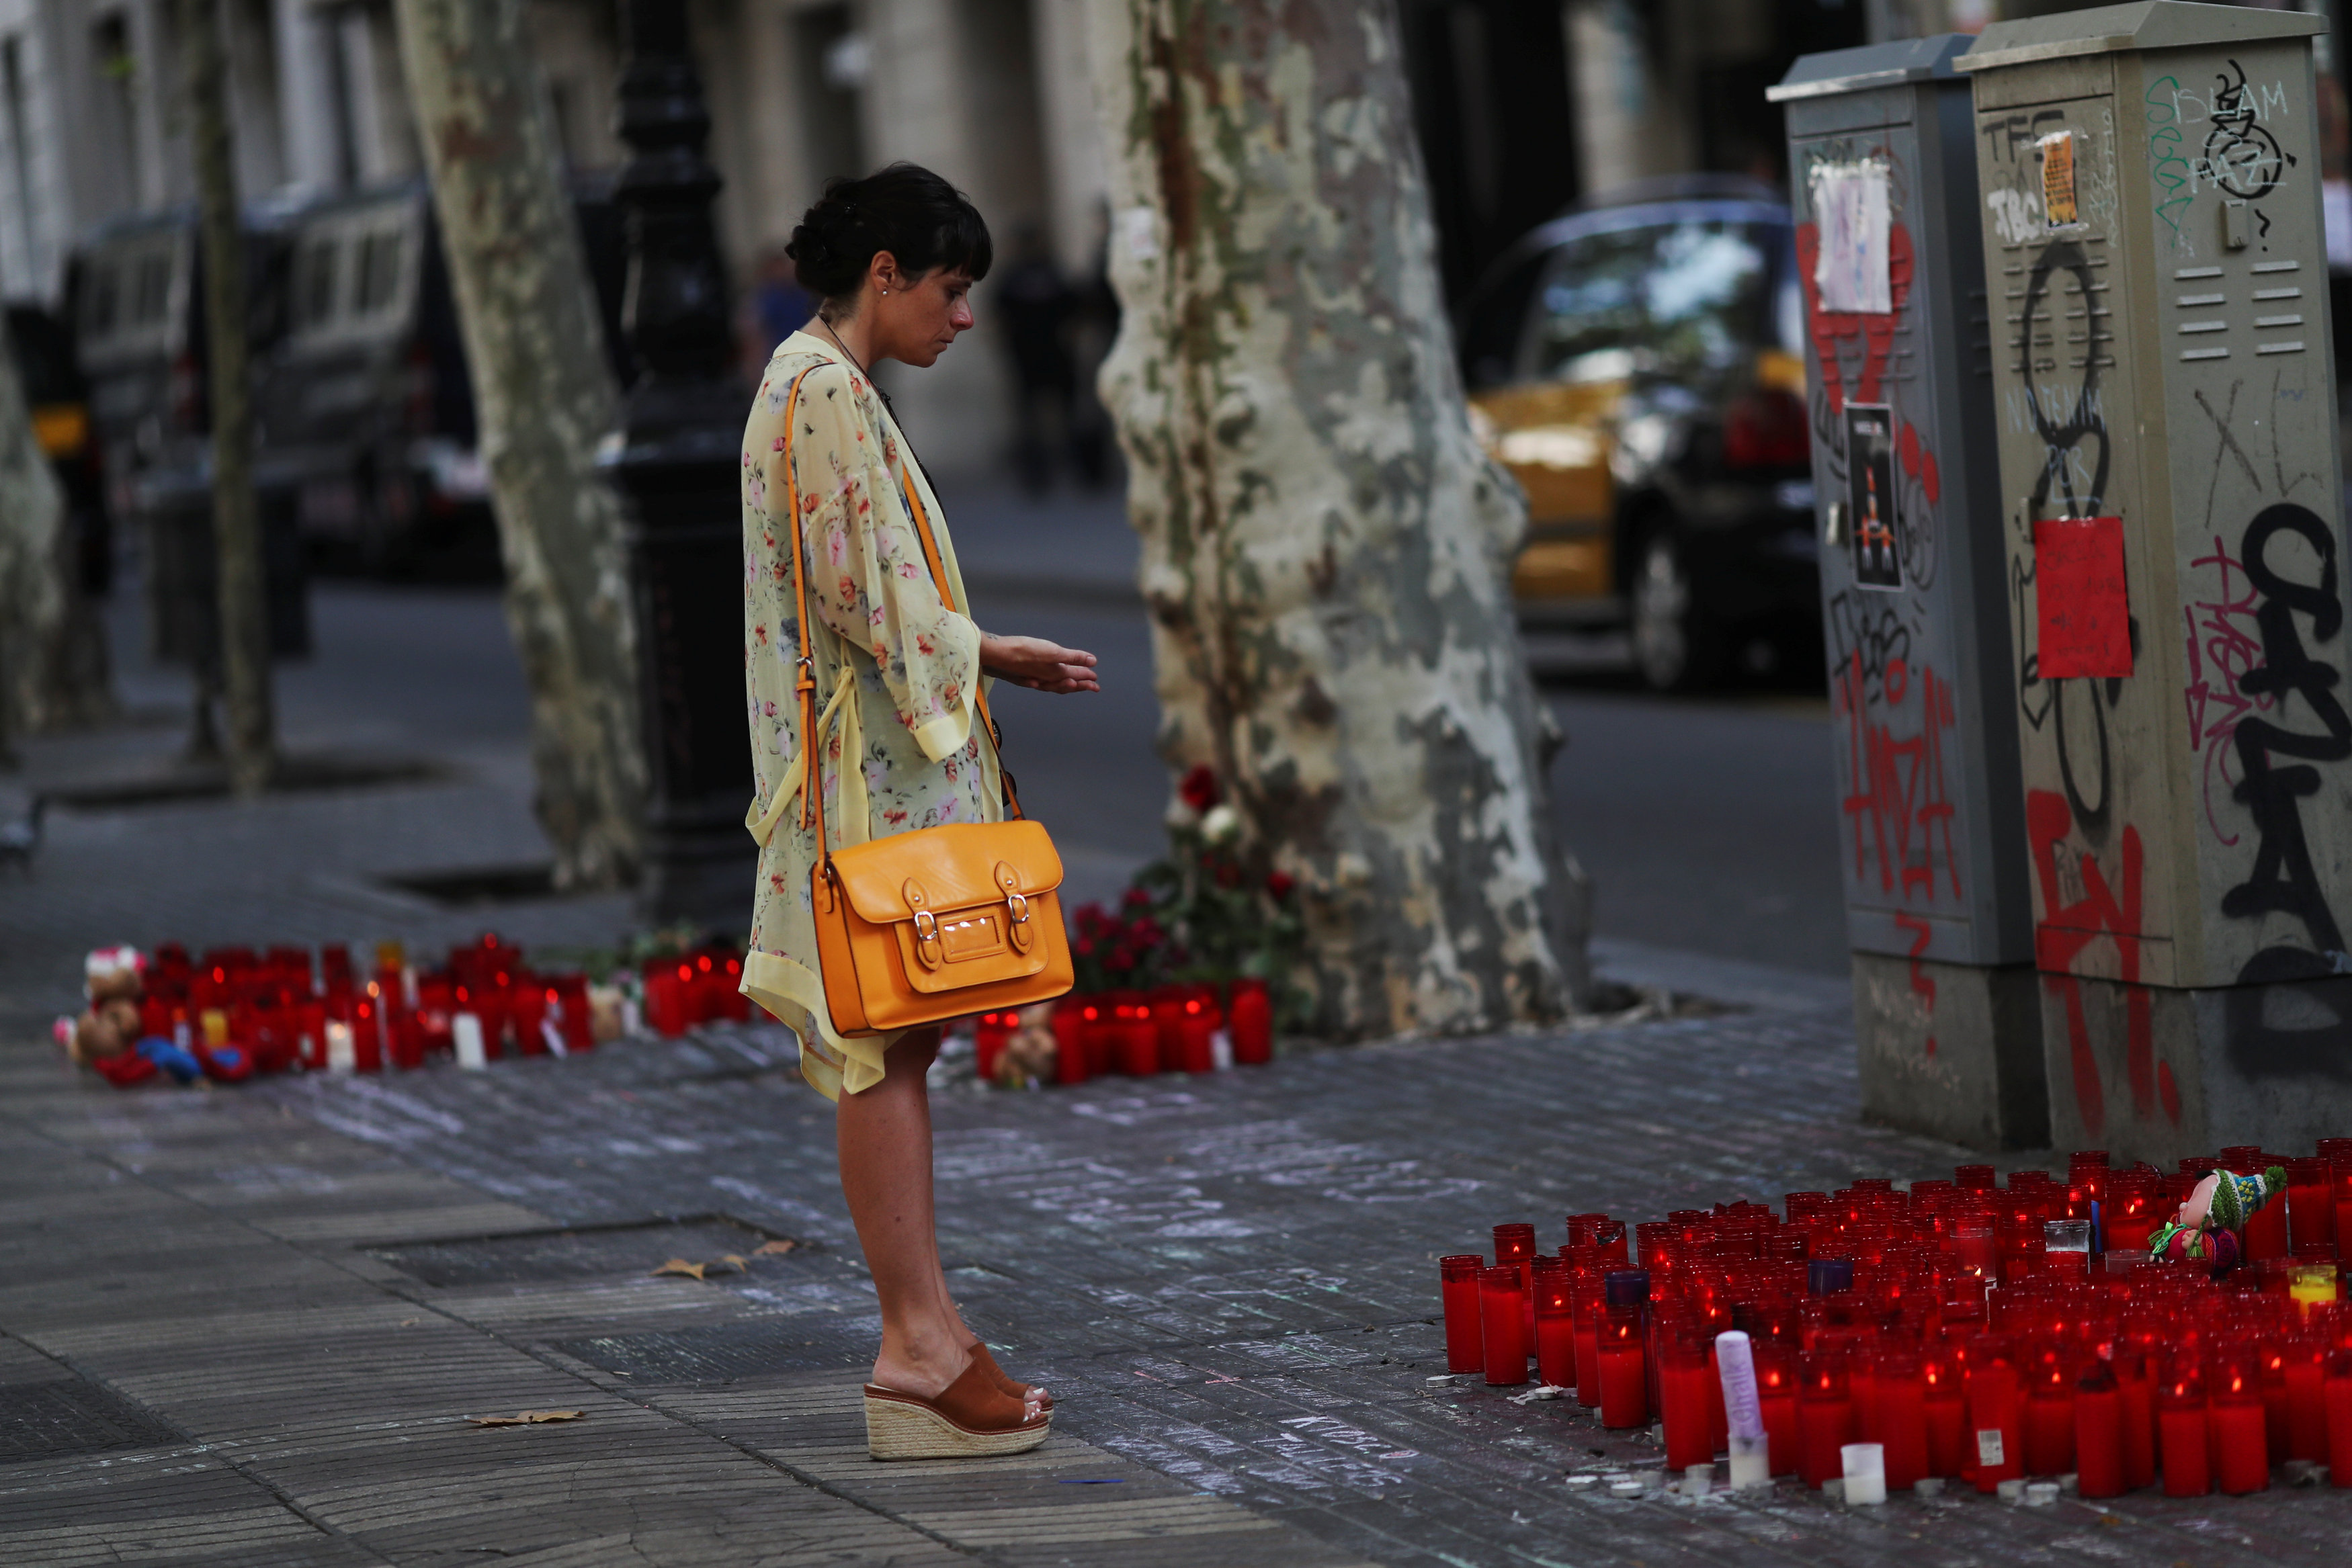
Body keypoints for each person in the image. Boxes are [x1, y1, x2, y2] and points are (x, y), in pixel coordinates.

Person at [737, 163, 1100, 1461]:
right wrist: (985, 653)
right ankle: (916, 1346)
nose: (962, 317)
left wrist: (984, 650)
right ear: (883, 274)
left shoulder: (809, 384)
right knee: (881, 1046)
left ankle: (928, 1328)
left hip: (851, 780)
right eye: (950, 290)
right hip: (861, 787)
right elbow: (868, 599)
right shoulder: (825, 393)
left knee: (893, 1044)